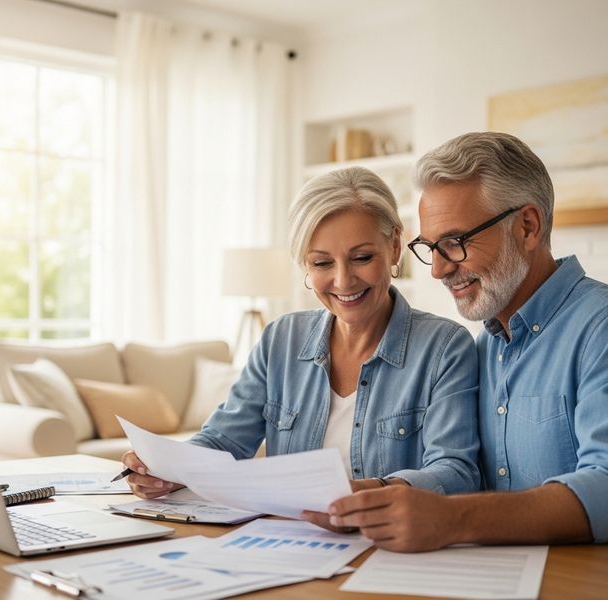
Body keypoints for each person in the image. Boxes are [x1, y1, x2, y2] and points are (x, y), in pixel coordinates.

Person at [320, 132, 608, 557]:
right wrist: (384, 492)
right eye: (430, 247)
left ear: (528, 227)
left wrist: (452, 518)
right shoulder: (484, 348)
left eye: (455, 243)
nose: (439, 269)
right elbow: (468, 472)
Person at [122, 166, 480, 500]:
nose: (343, 281)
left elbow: (456, 472)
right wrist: (168, 469)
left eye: (362, 258)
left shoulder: (444, 348)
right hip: (290, 540)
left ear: (394, 246)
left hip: (389, 549)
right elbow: (223, 439)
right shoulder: (281, 339)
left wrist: (368, 493)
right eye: (322, 263)